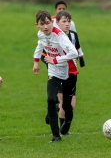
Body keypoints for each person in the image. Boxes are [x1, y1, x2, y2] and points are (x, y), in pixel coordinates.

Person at [33, 10, 78, 143]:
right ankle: (56, 136)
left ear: (52, 22)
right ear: (37, 25)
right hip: (53, 72)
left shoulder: (60, 36)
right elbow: (40, 45)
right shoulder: (41, 34)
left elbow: (73, 53)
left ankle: (67, 124)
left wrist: (56, 59)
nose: (46, 26)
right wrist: (36, 63)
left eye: (48, 23)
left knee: (67, 106)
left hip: (68, 72)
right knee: (51, 100)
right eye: (42, 24)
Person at [44, 11, 85, 129]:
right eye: (64, 21)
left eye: (69, 21)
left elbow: (76, 51)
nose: (67, 24)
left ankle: (54, 108)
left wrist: (80, 58)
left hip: (72, 73)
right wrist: (51, 64)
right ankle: (63, 130)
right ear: (57, 23)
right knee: (63, 102)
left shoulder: (73, 35)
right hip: (59, 73)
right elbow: (46, 54)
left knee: (70, 105)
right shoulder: (53, 37)